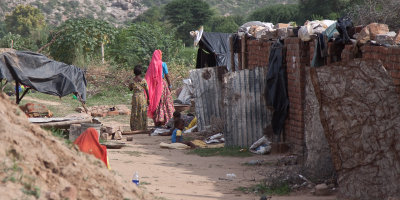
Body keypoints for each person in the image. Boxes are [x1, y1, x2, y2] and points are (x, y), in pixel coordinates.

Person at [145, 50, 175, 127]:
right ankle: (166, 119)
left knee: (157, 102)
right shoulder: (163, 64)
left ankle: (158, 120)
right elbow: (167, 75)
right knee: (165, 101)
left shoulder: (152, 65)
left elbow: (149, 77)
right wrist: (170, 85)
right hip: (162, 85)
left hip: (155, 86)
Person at [129, 65, 149, 131]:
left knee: (135, 112)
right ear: (140, 72)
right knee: (142, 112)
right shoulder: (143, 81)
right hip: (142, 98)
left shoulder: (132, 81)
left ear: (134, 72)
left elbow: (130, 89)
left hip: (135, 98)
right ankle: (143, 127)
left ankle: (134, 127)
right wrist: (148, 99)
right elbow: (147, 90)